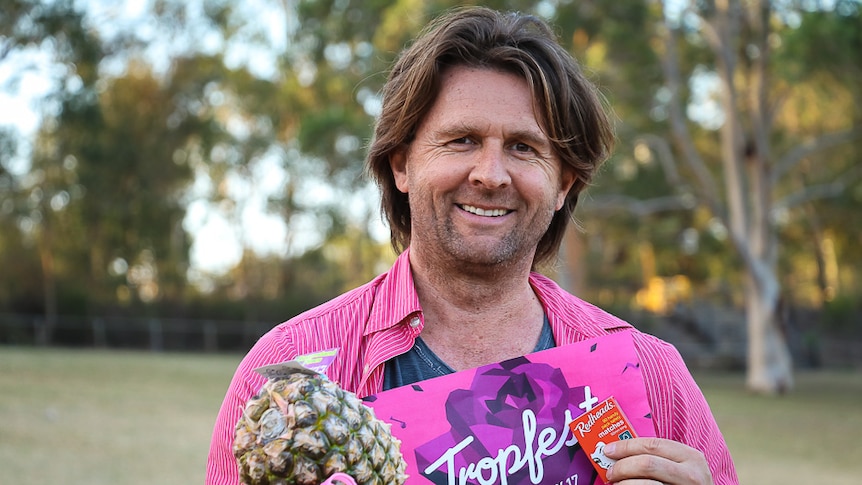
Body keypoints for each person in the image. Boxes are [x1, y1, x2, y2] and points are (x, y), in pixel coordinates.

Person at [207, 6, 738, 485]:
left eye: (523, 147)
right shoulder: (286, 374)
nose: (490, 174)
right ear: (401, 164)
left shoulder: (653, 377)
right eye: (462, 140)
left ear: (564, 185)